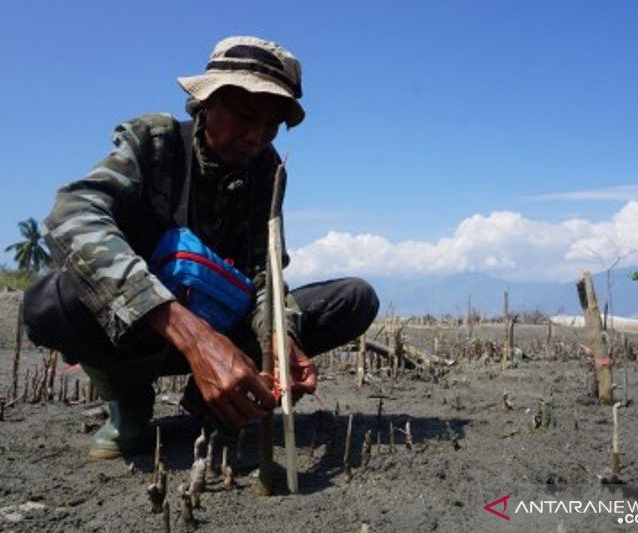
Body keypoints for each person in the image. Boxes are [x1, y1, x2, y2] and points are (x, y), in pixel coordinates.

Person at [23, 36, 379, 459]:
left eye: (271, 126)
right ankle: (129, 403)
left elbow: (265, 274)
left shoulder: (266, 173)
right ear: (207, 101)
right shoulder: (154, 143)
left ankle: (214, 401)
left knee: (353, 298)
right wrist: (193, 336)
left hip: (226, 322)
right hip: (140, 334)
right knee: (51, 302)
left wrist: (282, 338)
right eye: (247, 116)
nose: (257, 136)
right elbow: (72, 215)